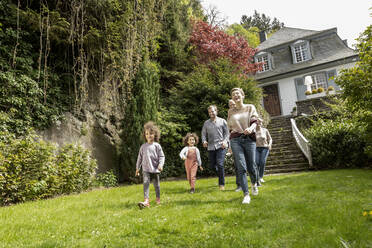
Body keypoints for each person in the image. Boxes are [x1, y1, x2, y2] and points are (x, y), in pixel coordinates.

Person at [227, 88, 260, 204]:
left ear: (242, 95)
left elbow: (255, 121)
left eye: (237, 93)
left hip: (249, 139)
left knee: (252, 166)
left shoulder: (250, 107)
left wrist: (251, 128)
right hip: (235, 140)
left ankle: (254, 183)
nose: (235, 96)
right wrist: (228, 143)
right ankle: (246, 194)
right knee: (241, 167)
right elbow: (229, 128)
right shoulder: (230, 112)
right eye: (233, 94)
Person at [135, 121, 165, 208]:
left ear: (155, 135)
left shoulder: (157, 146)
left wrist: (161, 165)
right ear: (145, 135)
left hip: (155, 169)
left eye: (151, 134)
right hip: (146, 170)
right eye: (147, 134)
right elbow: (139, 158)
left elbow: (162, 156)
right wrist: (137, 168)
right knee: (146, 183)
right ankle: (146, 201)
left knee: (157, 185)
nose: (149, 135)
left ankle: (158, 198)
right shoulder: (143, 147)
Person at [201, 105, 229, 190]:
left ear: (216, 111)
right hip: (211, 147)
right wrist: (204, 141)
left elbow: (227, 133)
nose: (211, 113)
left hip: (221, 145)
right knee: (213, 165)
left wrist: (225, 141)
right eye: (209, 112)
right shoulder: (206, 123)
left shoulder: (222, 121)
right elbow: (203, 134)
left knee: (220, 164)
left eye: (213, 111)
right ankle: (220, 172)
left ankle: (222, 184)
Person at [227, 99, 242, 192]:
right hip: (234, 142)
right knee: (237, 165)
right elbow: (228, 134)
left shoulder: (242, 113)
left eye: (233, 104)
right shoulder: (229, 117)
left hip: (245, 140)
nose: (232, 106)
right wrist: (230, 146)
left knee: (250, 164)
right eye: (230, 105)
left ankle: (255, 181)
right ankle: (239, 185)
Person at [255, 118, 272, 185]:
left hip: (265, 148)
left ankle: (260, 177)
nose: (259, 123)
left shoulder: (265, 130)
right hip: (256, 148)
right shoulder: (253, 131)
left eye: (260, 122)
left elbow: (270, 139)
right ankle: (257, 177)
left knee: (262, 162)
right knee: (256, 162)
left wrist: (270, 144)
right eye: (258, 122)